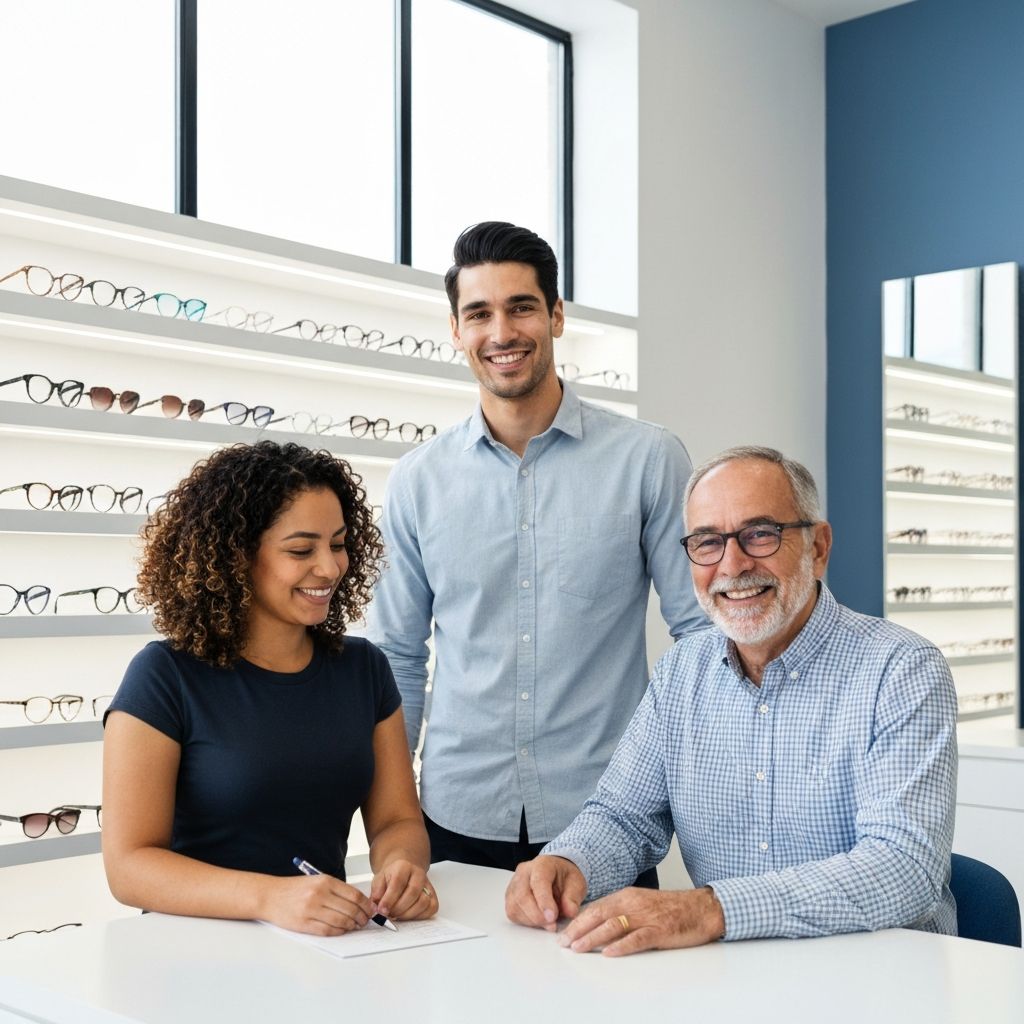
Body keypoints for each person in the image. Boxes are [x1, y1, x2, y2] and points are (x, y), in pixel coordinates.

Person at [506, 445, 957, 955]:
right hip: (733, 974)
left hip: (884, 976)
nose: (732, 564)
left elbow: (903, 867)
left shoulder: (902, 669)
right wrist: (569, 862)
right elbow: (624, 816)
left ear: (818, 547)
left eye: (760, 534)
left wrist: (710, 909)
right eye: (707, 542)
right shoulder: (682, 671)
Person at [365, 221, 704, 879]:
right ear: (456, 330)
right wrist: (391, 813)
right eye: (479, 314)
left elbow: (696, 631)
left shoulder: (647, 459)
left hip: (608, 814)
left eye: (521, 307)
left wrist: (674, 770)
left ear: (555, 315)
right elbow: (399, 655)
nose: (502, 333)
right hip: (456, 816)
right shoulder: (417, 480)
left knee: (618, 986)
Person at [102, 441, 438, 935]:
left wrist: (401, 868)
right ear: (235, 556)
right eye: (301, 550)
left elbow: (395, 821)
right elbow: (129, 866)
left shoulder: (364, 669)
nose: (330, 568)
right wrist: (270, 896)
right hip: (193, 953)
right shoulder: (164, 676)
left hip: (324, 949)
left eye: (339, 543)